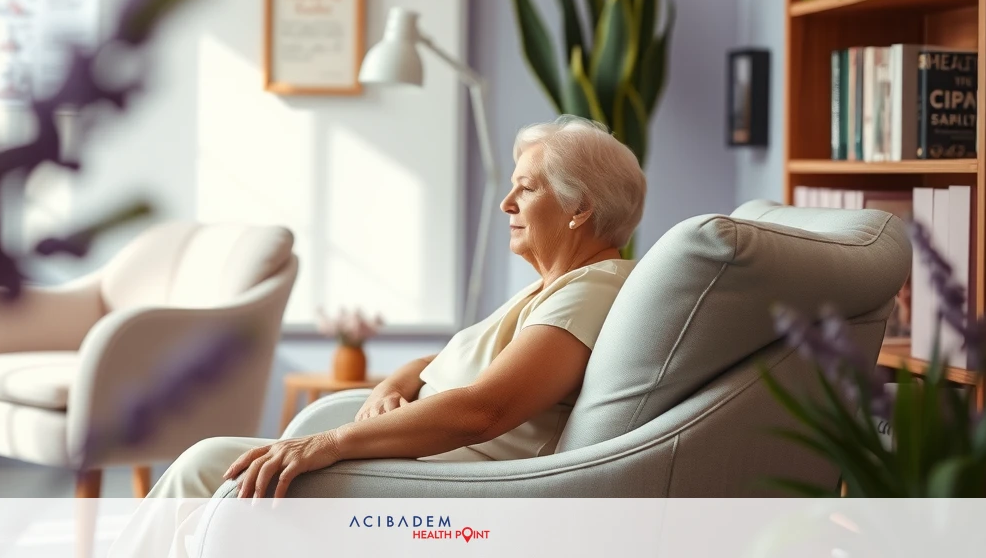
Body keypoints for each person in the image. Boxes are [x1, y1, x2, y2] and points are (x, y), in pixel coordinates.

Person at [111, 115, 645, 555]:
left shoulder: (591, 290)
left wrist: (329, 442)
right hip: (415, 464)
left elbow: (484, 410)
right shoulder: (551, 290)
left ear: (580, 208)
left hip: (448, 489)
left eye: (525, 189)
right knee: (209, 473)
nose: (506, 203)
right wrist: (393, 385)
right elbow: (442, 364)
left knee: (213, 466)